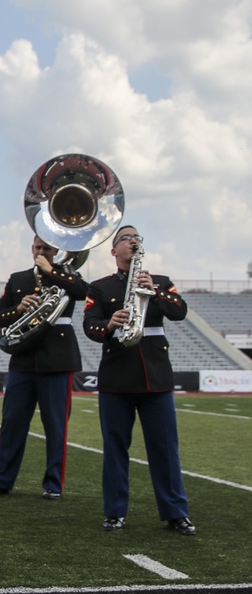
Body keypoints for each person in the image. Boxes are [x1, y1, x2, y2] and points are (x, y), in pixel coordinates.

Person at [82, 225, 195, 535]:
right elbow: (89, 326)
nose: (132, 242)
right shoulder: (100, 287)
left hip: (156, 379)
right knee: (115, 449)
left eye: (136, 239)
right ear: (114, 250)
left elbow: (179, 312)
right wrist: (108, 323)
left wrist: (154, 290)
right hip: (116, 379)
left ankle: (176, 513)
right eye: (125, 238)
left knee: (165, 450)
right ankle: (114, 513)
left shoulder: (161, 281)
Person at [0, 236, 87, 500]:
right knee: (12, 424)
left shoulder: (67, 275)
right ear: (32, 249)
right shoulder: (18, 279)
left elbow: (83, 292)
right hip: (23, 359)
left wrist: (52, 272)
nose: (41, 252)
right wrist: (19, 307)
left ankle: (53, 484)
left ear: (55, 252)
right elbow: (0, 315)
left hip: (57, 360)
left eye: (47, 249)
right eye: (38, 247)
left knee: (56, 426)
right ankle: (2, 481)